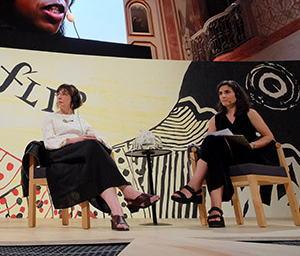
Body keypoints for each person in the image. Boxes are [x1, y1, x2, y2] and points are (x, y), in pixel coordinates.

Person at [42, 84, 160, 231]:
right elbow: (49, 142)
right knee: (92, 146)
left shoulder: (81, 121)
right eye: (58, 94)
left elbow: (100, 137)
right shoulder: (51, 118)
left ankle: (117, 215)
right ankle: (128, 191)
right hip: (60, 155)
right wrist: (75, 140)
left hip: (81, 157)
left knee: (98, 161)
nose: (59, 97)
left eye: (64, 94)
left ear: (73, 99)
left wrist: (96, 139)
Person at [171, 80, 278, 227]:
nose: (223, 96)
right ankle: (216, 210)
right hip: (226, 158)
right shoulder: (216, 118)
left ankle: (194, 187)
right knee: (213, 149)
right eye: (220, 93)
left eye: (227, 92)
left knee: (213, 145)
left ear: (237, 94)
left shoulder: (249, 113)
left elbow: (269, 137)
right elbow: (208, 143)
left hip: (248, 154)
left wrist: (252, 145)